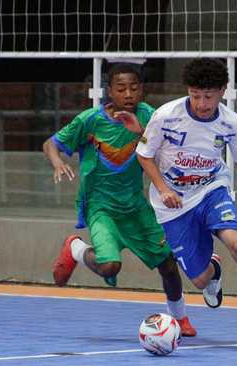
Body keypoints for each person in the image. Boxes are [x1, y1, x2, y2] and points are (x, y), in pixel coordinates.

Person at [135, 58, 237, 346]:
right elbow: (144, 154)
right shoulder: (165, 115)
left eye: (208, 96)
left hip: (212, 190)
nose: (202, 103)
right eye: (195, 95)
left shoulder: (231, 122)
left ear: (223, 91)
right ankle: (213, 270)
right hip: (173, 204)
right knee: (198, 280)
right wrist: (162, 187)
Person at [42, 63, 197, 337]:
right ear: (109, 90)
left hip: (135, 206)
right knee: (110, 266)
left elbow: (169, 148)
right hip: (101, 207)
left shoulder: (150, 116)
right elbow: (51, 143)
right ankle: (76, 248)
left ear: (142, 90)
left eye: (134, 88)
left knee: (168, 263)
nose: (128, 94)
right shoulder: (91, 121)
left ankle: (180, 318)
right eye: (121, 88)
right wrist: (57, 163)